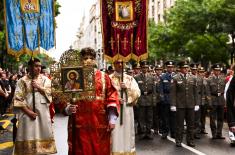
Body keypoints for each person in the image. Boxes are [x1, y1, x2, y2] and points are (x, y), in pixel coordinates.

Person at [64, 47, 119, 155]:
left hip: (99, 121)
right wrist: (67, 108)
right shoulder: (73, 76)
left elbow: (112, 96)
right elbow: (64, 97)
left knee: (99, 149)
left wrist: (112, 119)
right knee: (81, 149)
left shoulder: (104, 77)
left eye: (91, 58)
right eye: (85, 58)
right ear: (81, 60)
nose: (88, 60)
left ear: (95, 60)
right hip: (79, 122)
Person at [13, 58, 57, 154]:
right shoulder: (22, 81)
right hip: (27, 115)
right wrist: (29, 112)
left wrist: (38, 87)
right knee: (28, 142)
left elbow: (51, 94)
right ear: (30, 67)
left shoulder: (46, 80)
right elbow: (18, 99)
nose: (39, 68)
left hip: (43, 116)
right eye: (36, 66)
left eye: (40, 66)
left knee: (43, 145)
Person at [109, 59, 140, 155]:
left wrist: (127, 89)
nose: (120, 65)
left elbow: (137, 93)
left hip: (127, 109)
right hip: (114, 110)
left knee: (127, 133)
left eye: (122, 62)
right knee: (115, 133)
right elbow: (105, 94)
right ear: (113, 64)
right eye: (117, 63)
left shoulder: (130, 78)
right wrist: (116, 100)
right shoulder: (108, 78)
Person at [170, 61, 198, 147]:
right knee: (179, 124)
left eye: (187, 68)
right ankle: (178, 140)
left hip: (190, 104)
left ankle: (190, 140)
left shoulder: (193, 78)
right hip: (180, 105)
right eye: (184, 68)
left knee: (191, 124)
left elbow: (195, 92)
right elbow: (173, 93)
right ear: (180, 69)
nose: (186, 69)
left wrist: (197, 104)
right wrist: (173, 104)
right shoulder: (175, 78)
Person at [207, 63, 226, 139]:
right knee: (212, 118)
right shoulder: (209, 79)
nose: (217, 71)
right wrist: (209, 101)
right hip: (213, 99)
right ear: (213, 70)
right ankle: (214, 133)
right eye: (216, 70)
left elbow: (224, 89)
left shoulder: (223, 78)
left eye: (218, 70)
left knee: (221, 118)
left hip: (221, 99)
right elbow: (208, 92)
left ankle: (219, 133)